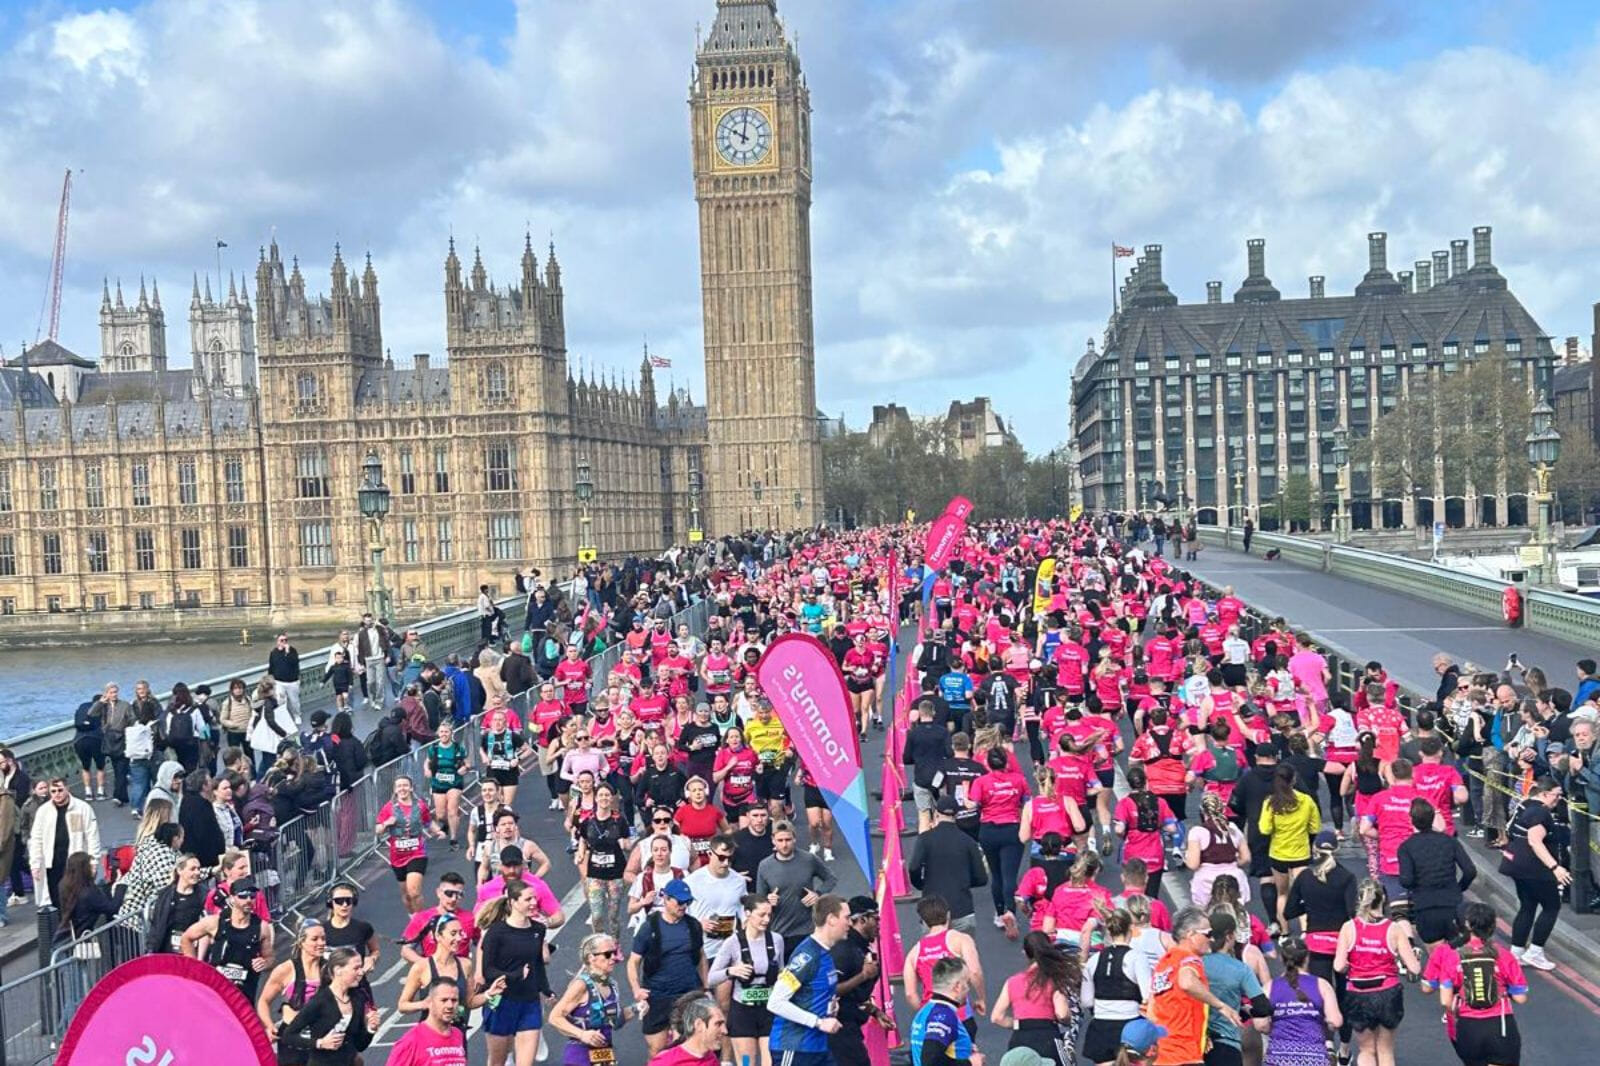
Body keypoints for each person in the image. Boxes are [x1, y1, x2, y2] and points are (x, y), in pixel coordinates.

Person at [1333, 880, 1420, 1066]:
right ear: (1384, 900)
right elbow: (1414, 969)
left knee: (1366, 1050)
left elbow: (1338, 966)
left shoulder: (1349, 928)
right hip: (1387, 993)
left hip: (1357, 993)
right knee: (1385, 1050)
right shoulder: (1394, 929)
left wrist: (1352, 965)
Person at [1428, 902, 1528, 1066]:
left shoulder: (1453, 957)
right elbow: (1520, 997)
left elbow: (1445, 1001)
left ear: (1468, 925)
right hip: (1500, 1026)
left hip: (1469, 1028)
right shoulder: (1503, 955)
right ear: (1492, 926)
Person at [1148, 907, 1242, 1066]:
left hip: (1162, 1054)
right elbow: (1187, 982)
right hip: (1184, 1054)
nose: (1211, 939)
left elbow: (1152, 1010)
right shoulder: (1190, 959)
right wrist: (1220, 1006)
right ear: (1190, 934)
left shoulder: (1164, 963)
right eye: (1207, 934)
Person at [1497, 775, 1570, 971]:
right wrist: (1555, 867)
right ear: (1545, 794)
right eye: (1557, 795)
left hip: (1516, 866)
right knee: (1551, 906)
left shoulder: (1524, 805)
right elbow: (1535, 841)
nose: (1559, 799)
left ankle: (1517, 951)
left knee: (1527, 906)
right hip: (1535, 869)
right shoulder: (1540, 813)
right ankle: (1535, 951)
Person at [629, 878, 709, 1057]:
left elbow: (702, 956)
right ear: (666, 899)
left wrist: (705, 986)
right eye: (680, 902)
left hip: (687, 994)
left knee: (686, 1048)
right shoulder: (650, 927)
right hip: (657, 995)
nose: (684, 906)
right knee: (657, 1050)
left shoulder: (693, 925)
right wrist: (636, 989)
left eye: (687, 902)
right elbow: (633, 961)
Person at [479, 878, 554, 1066]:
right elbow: (488, 971)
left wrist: (546, 990)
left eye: (534, 899)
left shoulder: (538, 929)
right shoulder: (496, 933)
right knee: (498, 1062)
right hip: (502, 1002)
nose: (534, 903)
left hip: (529, 1003)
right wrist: (515, 975)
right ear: (513, 902)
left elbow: (537, 964)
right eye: (528, 899)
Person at [769, 894, 849, 1066]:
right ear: (831, 919)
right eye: (847, 918)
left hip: (817, 1047)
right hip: (794, 1047)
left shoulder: (825, 953)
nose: (849, 923)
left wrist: (830, 1008)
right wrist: (818, 1022)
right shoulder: (807, 955)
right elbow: (775, 1002)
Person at [709, 894, 785, 1066]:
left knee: (771, 1062)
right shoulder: (732, 943)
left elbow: (780, 969)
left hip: (769, 1010)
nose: (766, 920)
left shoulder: (776, 940)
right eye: (761, 915)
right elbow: (711, 978)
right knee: (745, 1063)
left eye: (769, 915)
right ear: (748, 914)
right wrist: (732, 971)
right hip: (743, 1012)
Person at [276, 947, 381, 1066]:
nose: (361, 972)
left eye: (361, 967)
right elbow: (288, 1036)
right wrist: (320, 1043)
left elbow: (360, 1045)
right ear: (338, 970)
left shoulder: (358, 999)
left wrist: (371, 1029)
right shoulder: (320, 1001)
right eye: (356, 968)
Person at [990, 930, 1079, 1066]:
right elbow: (1061, 1014)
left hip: (1019, 1038)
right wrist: (1068, 1021)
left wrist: (1018, 1024)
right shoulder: (1053, 979)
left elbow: (997, 1017)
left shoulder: (1012, 982)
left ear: (1025, 953)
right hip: (1047, 1036)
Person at [546, 932, 635, 1066]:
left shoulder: (611, 984)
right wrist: (582, 1034)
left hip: (604, 1054)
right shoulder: (581, 985)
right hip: (579, 1056)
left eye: (615, 952)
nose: (614, 958)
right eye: (608, 954)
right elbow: (554, 1017)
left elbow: (614, 1021)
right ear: (592, 958)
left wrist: (637, 1008)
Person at [181, 875, 273, 1003]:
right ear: (232, 898)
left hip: (245, 993)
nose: (248, 900)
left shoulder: (261, 927)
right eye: (242, 896)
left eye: (252, 896)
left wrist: (264, 963)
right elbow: (186, 938)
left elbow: (269, 958)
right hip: (216, 991)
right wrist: (194, 967)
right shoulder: (216, 922)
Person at [970, 745, 1030, 938]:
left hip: (988, 830)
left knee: (996, 874)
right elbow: (1028, 802)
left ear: (987, 763)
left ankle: (999, 912)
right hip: (1012, 829)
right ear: (1006, 762)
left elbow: (973, 804)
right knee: (1010, 874)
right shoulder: (1019, 780)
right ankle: (1010, 911)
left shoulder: (981, 782)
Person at [1397, 797, 1475, 945]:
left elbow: (1406, 880)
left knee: (1436, 957)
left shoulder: (1406, 847)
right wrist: (1459, 888)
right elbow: (1470, 870)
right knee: (1457, 953)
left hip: (1425, 905)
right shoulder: (1449, 841)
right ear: (1433, 818)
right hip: (1452, 903)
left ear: (1411, 820)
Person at [1080, 908, 1153, 1066]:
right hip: (1130, 1026)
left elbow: (1086, 1001)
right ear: (1130, 930)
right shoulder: (1137, 957)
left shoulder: (1095, 959)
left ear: (1109, 932)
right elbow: (1148, 995)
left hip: (1101, 1027)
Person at [907, 797, 990, 933]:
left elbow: (913, 867)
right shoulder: (968, 841)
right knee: (964, 951)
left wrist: (921, 884)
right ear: (956, 815)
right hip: (962, 908)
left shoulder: (925, 839)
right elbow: (981, 878)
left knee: (934, 952)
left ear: (936, 814)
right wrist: (964, 882)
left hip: (932, 910)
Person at [1255, 937, 1343, 1066]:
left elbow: (1260, 1025)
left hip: (1279, 1056)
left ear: (1281, 959)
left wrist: (1275, 1027)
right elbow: (1335, 1021)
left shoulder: (1269, 987)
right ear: (1307, 958)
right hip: (1314, 1056)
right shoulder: (1322, 985)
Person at [754, 820, 837, 955]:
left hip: (807, 930)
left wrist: (818, 894)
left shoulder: (809, 859)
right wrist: (768, 901)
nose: (784, 844)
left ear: (795, 839)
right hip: (780, 931)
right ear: (773, 841)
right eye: (780, 840)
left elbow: (830, 879)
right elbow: (759, 899)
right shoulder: (765, 866)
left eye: (788, 840)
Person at [1199, 911, 1269, 1066]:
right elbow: (1263, 1007)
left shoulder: (1195, 963)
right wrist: (1245, 1012)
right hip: (1228, 1042)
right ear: (1229, 936)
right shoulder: (1240, 969)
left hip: (1198, 1041)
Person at [829, 895, 893, 1066]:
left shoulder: (861, 948)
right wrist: (863, 976)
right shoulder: (844, 949)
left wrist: (875, 1011)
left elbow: (854, 995)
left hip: (851, 1026)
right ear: (862, 920)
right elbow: (830, 990)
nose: (879, 925)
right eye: (876, 919)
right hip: (837, 1029)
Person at [1257, 764, 1319, 932]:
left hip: (1278, 853)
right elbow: (1315, 827)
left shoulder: (1270, 802)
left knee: (1282, 893)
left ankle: (1284, 931)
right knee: (1303, 894)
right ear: (1294, 780)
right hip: (1300, 853)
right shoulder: (1306, 800)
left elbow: (1264, 829)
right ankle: (1306, 930)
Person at [256, 918, 329, 1060]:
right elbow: (263, 1001)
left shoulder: (330, 969)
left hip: (322, 1037)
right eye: (314, 939)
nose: (321, 943)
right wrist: (269, 1025)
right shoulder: (286, 970)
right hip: (293, 1040)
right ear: (301, 942)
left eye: (323, 939)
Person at [377, 774, 445, 914]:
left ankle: (422, 922)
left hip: (417, 853)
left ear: (411, 788)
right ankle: (413, 919)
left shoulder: (420, 805)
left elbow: (428, 821)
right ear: (395, 790)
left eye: (405, 785)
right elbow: (377, 830)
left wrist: (438, 831)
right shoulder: (388, 808)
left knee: (414, 892)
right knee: (407, 896)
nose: (403, 789)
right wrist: (386, 824)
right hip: (397, 857)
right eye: (399, 786)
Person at [28, 777, 101, 907]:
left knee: (77, 899)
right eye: (53, 791)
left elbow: (92, 836)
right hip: (53, 863)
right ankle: (63, 925)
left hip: (76, 863)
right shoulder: (43, 811)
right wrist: (35, 864)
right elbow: (36, 839)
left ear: (67, 789)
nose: (57, 794)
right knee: (57, 899)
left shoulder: (82, 808)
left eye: (60, 790)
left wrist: (93, 861)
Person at [909, 956, 980, 1066]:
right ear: (957, 987)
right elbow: (930, 1059)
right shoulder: (944, 1016)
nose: (968, 989)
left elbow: (921, 1051)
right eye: (967, 983)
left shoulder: (924, 1012)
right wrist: (969, 1063)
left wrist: (965, 1046)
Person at [390, 976, 470, 1066]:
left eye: (454, 1000)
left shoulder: (458, 1035)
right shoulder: (411, 1041)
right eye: (444, 1000)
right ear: (430, 1002)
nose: (450, 1005)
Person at [145, 852, 207, 954]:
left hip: (191, 950)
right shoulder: (166, 894)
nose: (197, 872)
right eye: (192, 869)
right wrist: (150, 950)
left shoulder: (203, 894)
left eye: (198, 869)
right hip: (167, 950)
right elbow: (156, 925)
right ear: (180, 870)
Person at [645, 993, 727, 1066]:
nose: (725, 1031)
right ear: (699, 1025)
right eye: (718, 1024)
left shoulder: (712, 1059)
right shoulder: (665, 1062)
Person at [427, 721, 469, 850]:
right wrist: (427, 770)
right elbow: (427, 762)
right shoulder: (433, 748)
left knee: (452, 811)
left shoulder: (458, 748)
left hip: (454, 782)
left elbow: (468, 762)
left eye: (446, 732)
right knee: (440, 814)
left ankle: (453, 839)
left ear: (451, 733)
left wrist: (465, 768)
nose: (444, 734)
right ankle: (446, 825)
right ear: (438, 734)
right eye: (441, 732)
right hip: (438, 782)